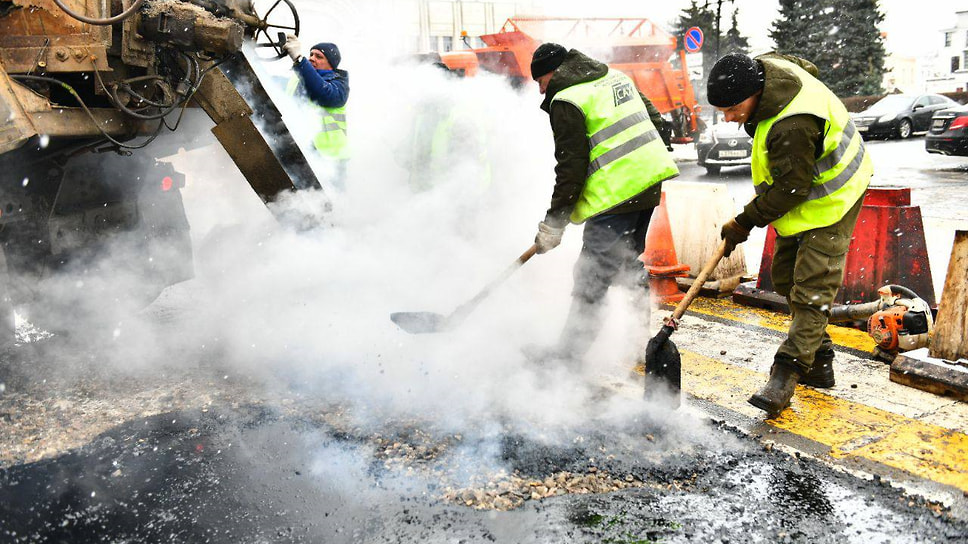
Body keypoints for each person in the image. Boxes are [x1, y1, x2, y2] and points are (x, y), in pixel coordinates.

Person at [707, 52, 872, 417]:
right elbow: (806, 65)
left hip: (834, 197)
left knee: (812, 290)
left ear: (755, 92)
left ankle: (786, 374)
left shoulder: (792, 125)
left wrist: (744, 221)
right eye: (722, 111)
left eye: (733, 108)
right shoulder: (765, 70)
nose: (729, 118)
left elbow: (793, 189)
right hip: (800, 196)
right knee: (784, 278)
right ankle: (820, 358)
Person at [528, 43, 679, 371]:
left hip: (617, 194)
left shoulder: (566, 99)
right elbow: (657, 120)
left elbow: (570, 168)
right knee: (625, 262)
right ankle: (639, 342)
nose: (540, 89)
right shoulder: (612, 76)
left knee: (591, 274)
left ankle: (567, 358)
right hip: (649, 183)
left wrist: (554, 223)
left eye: (540, 81)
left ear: (555, 73)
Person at [282, 35, 349, 190]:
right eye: (311, 54)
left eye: (319, 56)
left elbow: (323, 92)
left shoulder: (339, 85)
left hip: (330, 158)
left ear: (331, 65)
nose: (312, 58)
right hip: (303, 152)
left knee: (330, 206)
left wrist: (299, 60)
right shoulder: (297, 80)